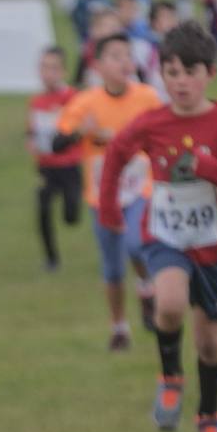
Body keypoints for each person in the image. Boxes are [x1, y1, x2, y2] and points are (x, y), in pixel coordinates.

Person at [99, 21, 217, 432]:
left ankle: (210, 416)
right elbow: (115, 153)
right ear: (161, 75)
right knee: (168, 305)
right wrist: (111, 207)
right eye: (171, 72)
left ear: (210, 72)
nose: (181, 82)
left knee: (209, 342)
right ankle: (170, 375)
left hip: (212, 245)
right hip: (165, 237)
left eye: (190, 72)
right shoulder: (153, 122)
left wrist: (215, 172)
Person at [54, 32, 164, 347]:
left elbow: (163, 134)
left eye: (127, 55)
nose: (123, 62)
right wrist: (81, 133)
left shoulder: (147, 98)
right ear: (98, 65)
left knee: (135, 244)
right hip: (102, 196)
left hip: (140, 188)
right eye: (115, 56)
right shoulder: (85, 103)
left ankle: (145, 286)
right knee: (113, 269)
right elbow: (57, 142)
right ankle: (119, 327)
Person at [29, 46, 85, 271]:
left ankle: (72, 209)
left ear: (62, 71)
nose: (47, 73)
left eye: (53, 68)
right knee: (42, 209)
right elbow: (32, 130)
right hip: (46, 167)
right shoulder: (36, 102)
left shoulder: (72, 97)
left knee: (71, 216)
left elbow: (80, 127)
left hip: (70, 165)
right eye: (44, 67)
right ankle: (51, 259)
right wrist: (31, 140)